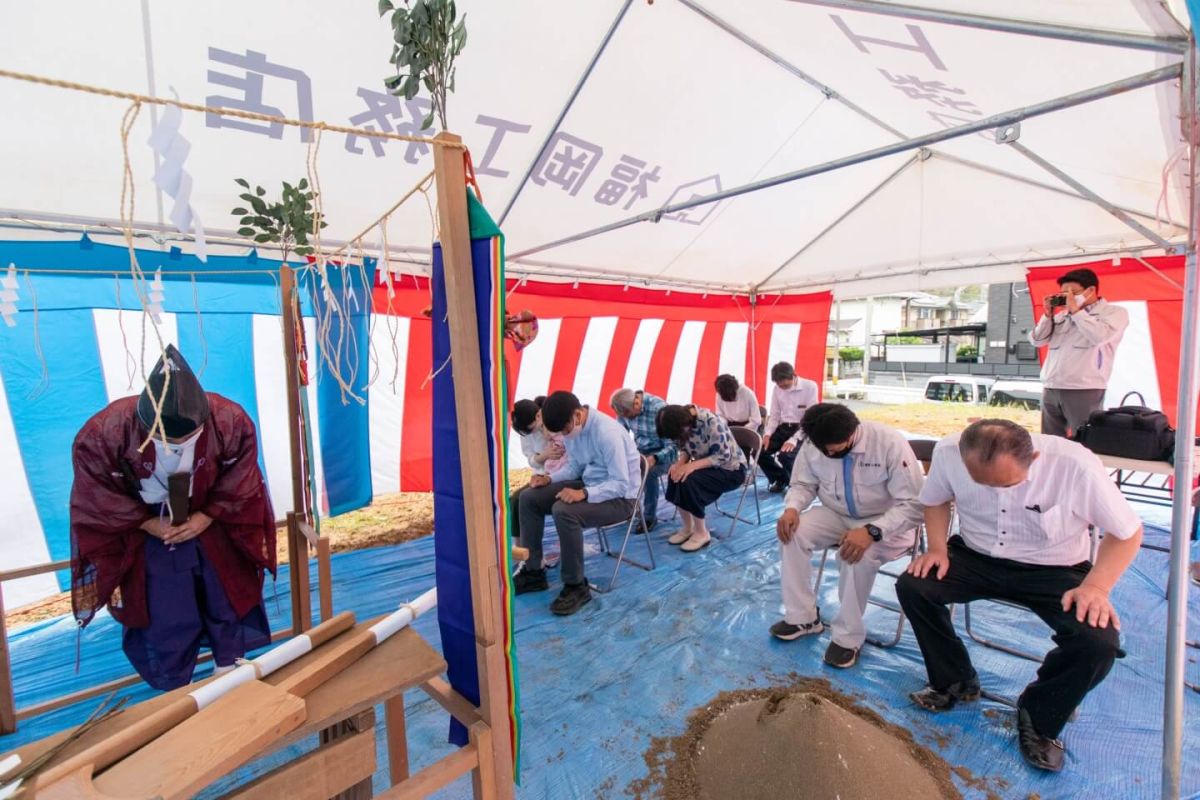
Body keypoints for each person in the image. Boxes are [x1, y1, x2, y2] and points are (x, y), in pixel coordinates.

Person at [897, 419, 1143, 772]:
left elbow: (1128, 532)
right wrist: (937, 548)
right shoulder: (949, 452)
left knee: (1097, 640)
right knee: (915, 586)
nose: (996, 491)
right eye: (980, 483)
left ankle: (1039, 715)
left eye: (1008, 484)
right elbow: (935, 501)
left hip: (1054, 568)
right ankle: (955, 679)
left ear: (1036, 458)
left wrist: (1097, 587)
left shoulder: (1075, 465)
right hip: (976, 554)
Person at [69, 345, 276, 690]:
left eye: (189, 437)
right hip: (146, 528)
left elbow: (242, 475)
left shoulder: (229, 420)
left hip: (213, 519)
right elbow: (95, 490)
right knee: (165, 609)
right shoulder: (105, 432)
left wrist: (207, 516)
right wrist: (147, 523)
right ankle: (176, 684)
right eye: (169, 440)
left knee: (223, 592)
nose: (179, 444)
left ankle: (229, 666)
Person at [771, 404, 925, 669]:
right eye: (825, 450)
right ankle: (803, 617)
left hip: (886, 521)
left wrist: (873, 532)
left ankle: (848, 637)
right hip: (836, 513)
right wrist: (792, 508)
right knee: (792, 534)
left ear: (854, 431)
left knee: (856, 553)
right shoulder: (813, 443)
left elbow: (914, 504)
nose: (830, 453)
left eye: (836, 448)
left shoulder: (888, 442)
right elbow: (803, 484)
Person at [513, 391, 641, 616]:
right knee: (528, 498)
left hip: (621, 499)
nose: (564, 435)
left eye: (564, 430)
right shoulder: (574, 430)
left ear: (577, 415)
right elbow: (574, 468)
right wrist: (549, 478)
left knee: (564, 511)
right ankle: (533, 572)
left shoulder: (607, 434)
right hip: (591, 483)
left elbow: (621, 484)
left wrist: (583, 493)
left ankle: (576, 586)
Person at [1029, 268, 1129, 438]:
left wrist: (1076, 312)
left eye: (1072, 292)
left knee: (1085, 440)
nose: (1068, 297)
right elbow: (1037, 340)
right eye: (1064, 293)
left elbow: (1100, 336)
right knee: (1050, 440)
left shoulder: (1114, 312)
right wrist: (1047, 315)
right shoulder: (1061, 317)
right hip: (1051, 386)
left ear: (1090, 290)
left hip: (1084, 387)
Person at [656, 404, 748, 552]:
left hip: (731, 470)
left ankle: (702, 533)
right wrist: (679, 464)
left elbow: (723, 456)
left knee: (690, 481)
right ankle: (688, 527)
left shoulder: (711, 422)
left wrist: (691, 466)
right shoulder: (683, 423)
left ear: (683, 424)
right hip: (708, 467)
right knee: (675, 476)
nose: (677, 439)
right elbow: (685, 449)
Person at [611, 388, 676, 532]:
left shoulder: (659, 409)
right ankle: (627, 510)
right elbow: (620, 435)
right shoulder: (624, 410)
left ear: (636, 403)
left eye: (628, 415)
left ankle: (649, 517)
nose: (626, 418)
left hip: (664, 453)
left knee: (649, 472)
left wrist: (655, 458)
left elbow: (674, 445)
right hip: (641, 451)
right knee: (618, 467)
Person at [760, 362, 819, 493]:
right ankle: (782, 480)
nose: (783, 388)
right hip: (784, 427)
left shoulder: (810, 387)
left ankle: (799, 487)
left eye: (785, 385)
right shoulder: (777, 389)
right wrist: (767, 435)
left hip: (804, 429)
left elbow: (811, 418)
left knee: (785, 456)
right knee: (759, 452)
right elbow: (774, 415)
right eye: (779, 385)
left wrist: (794, 439)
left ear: (794, 375)